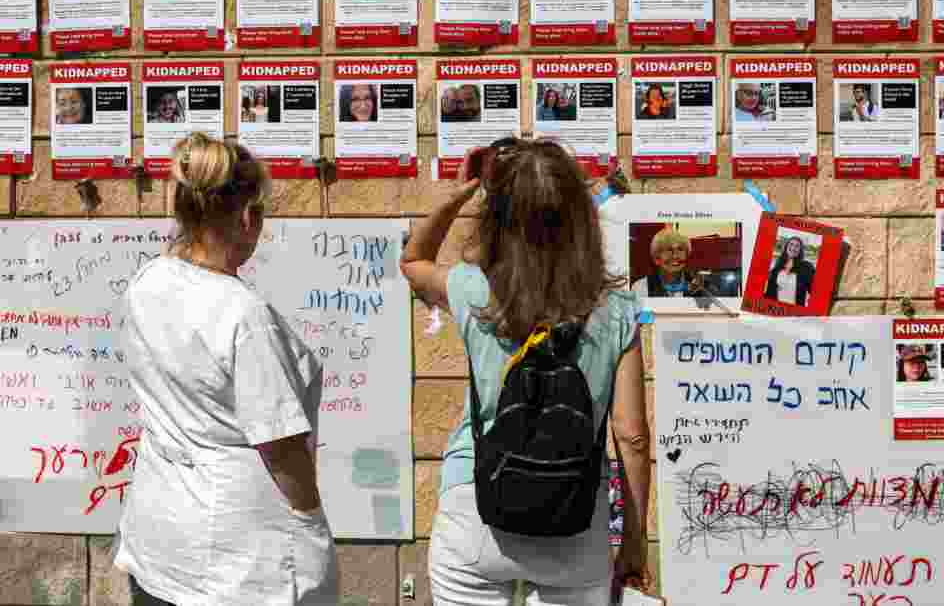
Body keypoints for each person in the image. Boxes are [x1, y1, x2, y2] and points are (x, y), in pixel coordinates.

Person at [400, 138, 650, 605]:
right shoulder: (617, 308)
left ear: (497, 217)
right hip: (575, 520)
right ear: (580, 216)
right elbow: (632, 437)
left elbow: (413, 262)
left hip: (477, 509)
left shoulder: (474, 289)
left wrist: (459, 194)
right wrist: (633, 543)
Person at [112, 132, 338, 605]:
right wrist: (311, 519)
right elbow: (280, 446)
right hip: (237, 557)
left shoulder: (147, 282)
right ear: (249, 217)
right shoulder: (243, 313)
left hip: (159, 533)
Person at [630, 229, 696, 298]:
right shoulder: (641, 287)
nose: (675, 256)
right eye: (668, 250)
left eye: (680, 249)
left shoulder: (700, 287)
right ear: (656, 258)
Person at [763, 235, 816, 306]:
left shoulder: (807, 267)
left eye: (797, 246)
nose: (793, 248)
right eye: (791, 244)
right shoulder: (778, 265)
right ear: (786, 247)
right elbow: (769, 290)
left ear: (800, 250)